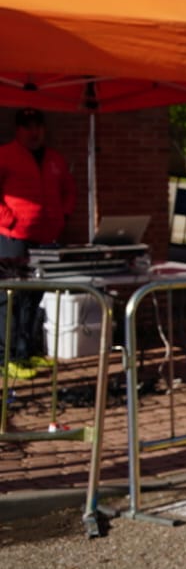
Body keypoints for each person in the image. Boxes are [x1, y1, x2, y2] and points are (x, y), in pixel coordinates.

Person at [0, 107, 76, 379]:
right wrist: (8, 220)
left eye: (38, 126)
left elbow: (69, 189)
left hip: (46, 238)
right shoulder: (5, 155)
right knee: (11, 296)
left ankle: (29, 351)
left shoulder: (54, 159)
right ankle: (6, 357)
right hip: (13, 237)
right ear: (18, 129)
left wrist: (62, 216)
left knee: (36, 295)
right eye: (27, 126)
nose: (34, 132)